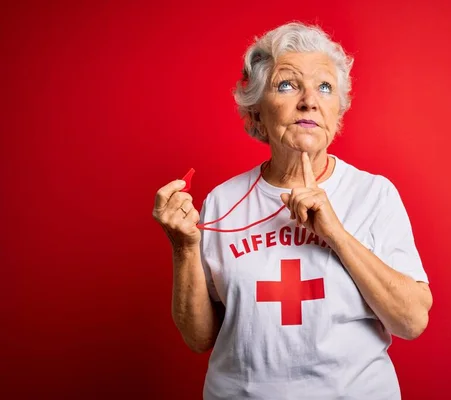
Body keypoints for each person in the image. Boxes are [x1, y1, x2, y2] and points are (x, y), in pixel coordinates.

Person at [152, 21, 433, 400]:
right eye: (287, 85)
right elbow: (199, 338)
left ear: (337, 114)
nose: (309, 100)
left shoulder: (374, 195)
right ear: (255, 115)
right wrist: (184, 247)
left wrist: (335, 233)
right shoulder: (222, 201)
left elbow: (412, 321)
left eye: (324, 87)